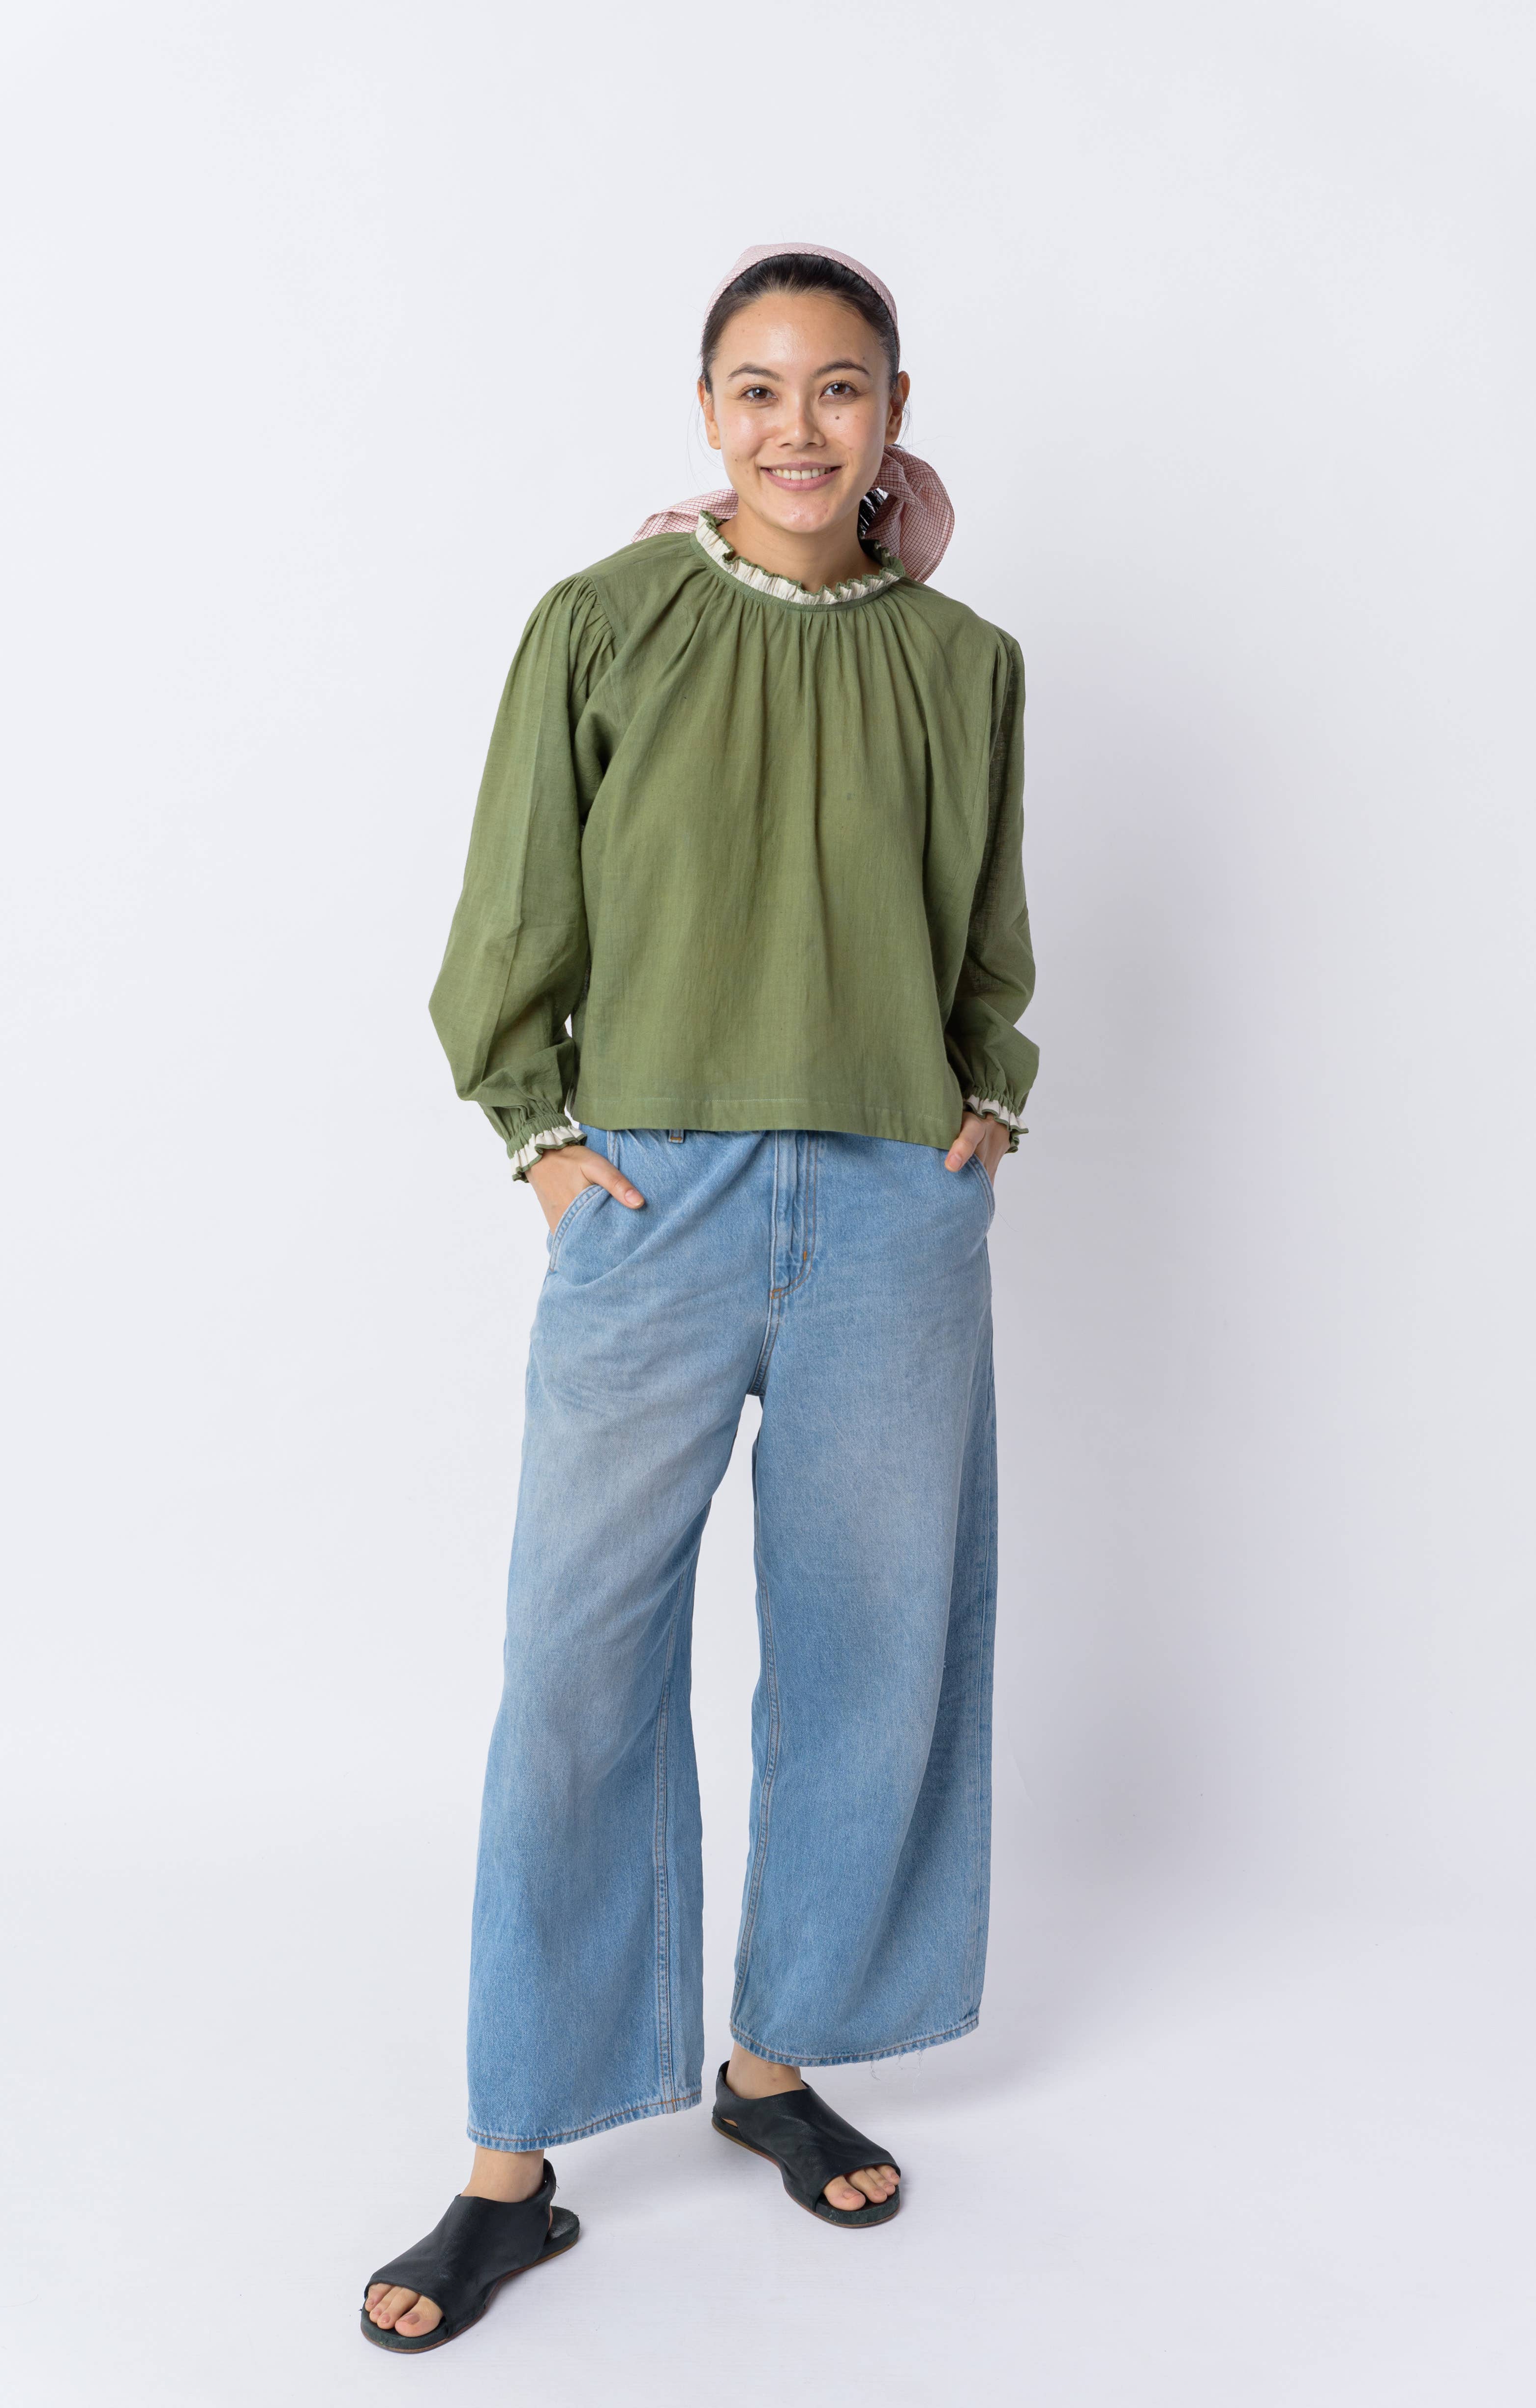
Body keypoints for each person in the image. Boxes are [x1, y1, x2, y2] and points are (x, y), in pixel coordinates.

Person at [361, 242, 1037, 2353]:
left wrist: (985, 1100)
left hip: (891, 1205)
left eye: (838, 388)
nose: (797, 426)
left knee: (868, 1656)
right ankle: (513, 2162)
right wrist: (542, 1138)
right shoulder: (608, 621)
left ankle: (775, 2059)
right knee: (576, 1661)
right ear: (706, 410)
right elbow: (513, 907)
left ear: (894, 409)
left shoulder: (963, 660)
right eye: (758, 387)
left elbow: (985, 930)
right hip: (652, 1198)